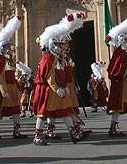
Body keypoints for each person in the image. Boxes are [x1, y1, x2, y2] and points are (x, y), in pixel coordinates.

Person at [32, 12, 88, 145]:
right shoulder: (48, 57)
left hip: (57, 88)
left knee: (64, 110)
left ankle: (73, 133)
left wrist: (64, 87)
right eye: (60, 44)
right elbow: (49, 75)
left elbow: (60, 74)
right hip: (48, 89)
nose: (63, 47)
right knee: (43, 113)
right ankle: (37, 135)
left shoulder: (57, 57)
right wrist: (57, 89)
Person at [0, 15, 27, 139]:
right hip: (4, 90)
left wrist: (19, 82)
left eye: (10, 47)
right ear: (2, 48)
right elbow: (0, 78)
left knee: (16, 110)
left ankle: (16, 131)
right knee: (0, 111)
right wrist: (4, 91)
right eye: (7, 47)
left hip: (12, 88)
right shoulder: (1, 61)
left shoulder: (9, 61)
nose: (10, 49)